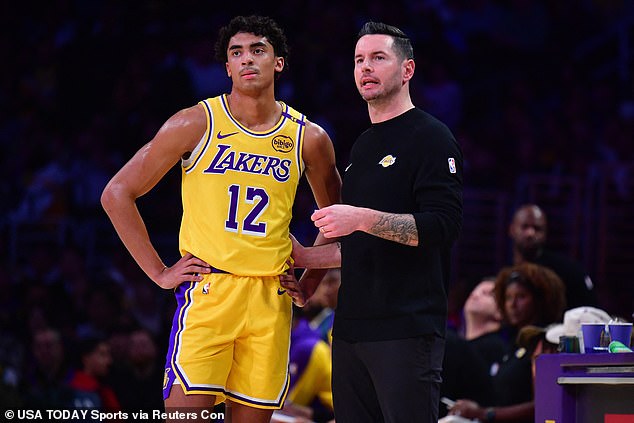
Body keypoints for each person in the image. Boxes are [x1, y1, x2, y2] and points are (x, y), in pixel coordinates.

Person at [100, 15, 341, 423]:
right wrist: (159, 272)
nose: (247, 60)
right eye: (236, 53)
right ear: (227, 67)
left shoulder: (309, 138)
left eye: (258, 50)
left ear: (278, 62)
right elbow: (116, 194)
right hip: (210, 289)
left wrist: (309, 282)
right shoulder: (195, 122)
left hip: (270, 298)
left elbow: (336, 223)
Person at [285, 21, 463, 423]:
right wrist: (305, 267)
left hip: (407, 328)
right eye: (359, 60)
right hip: (350, 330)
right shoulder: (363, 145)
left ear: (407, 70)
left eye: (378, 58)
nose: (365, 67)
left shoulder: (432, 138)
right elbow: (360, 246)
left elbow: (443, 226)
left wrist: (361, 217)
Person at [446, 262, 566, 422]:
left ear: (540, 300)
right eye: (508, 297)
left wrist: (485, 413)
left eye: (521, 297)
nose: (512, 304)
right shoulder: (515, 344)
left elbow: (545, 405)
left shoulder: (545, 342)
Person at [508, 203, 597, 309]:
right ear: (512, 230)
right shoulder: (503, 272)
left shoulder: (569, 272)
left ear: (545, 234)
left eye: (537, 228)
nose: (530, 233)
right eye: (525, 227)